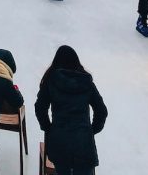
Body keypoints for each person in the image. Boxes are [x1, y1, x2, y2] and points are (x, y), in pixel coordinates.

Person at [34, 45, 108, 175]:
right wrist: (90, 130)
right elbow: (101, 111)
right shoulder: (86, 82)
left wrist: (49, 129)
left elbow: (40, 108)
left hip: (60, 142)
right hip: (83, 144)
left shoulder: (51, 80)